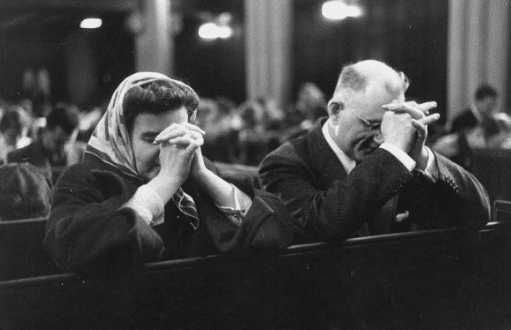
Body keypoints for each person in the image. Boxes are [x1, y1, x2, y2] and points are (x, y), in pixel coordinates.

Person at [43, 72, 293, 273]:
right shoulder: (83, 178)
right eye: (152, 139)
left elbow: (275, 229)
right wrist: (164, 183)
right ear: (122, 138)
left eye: (178, 135)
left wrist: (205, 177)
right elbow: (70, 250)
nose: (168, 151)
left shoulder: (196, 170)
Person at [259, 60, 491, 243]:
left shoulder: (394, 159)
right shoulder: (284, 162)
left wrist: (421, 158)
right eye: (373, 125)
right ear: (335, 111)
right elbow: (325, 224)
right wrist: (393, 151)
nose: (383, 138)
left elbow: (477, 214)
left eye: (391, 125)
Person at [7, 106, 80, 179]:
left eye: (69, 142)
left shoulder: (83, 156)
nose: (64, 148)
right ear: (45, 131)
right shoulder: (17, 160)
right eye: (58, 142)